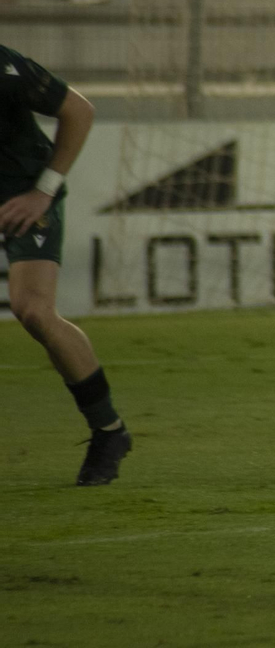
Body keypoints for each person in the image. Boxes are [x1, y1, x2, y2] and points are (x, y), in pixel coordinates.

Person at [0, 46, 131, 485]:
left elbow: (78, 110)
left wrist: (45, 190)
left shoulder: (5, 67)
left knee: (33, 309)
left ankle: (108, 431)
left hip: (22, 190)